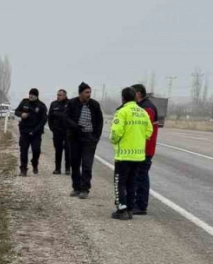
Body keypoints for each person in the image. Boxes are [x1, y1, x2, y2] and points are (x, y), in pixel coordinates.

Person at [110, 87, 154, 220]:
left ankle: (121, 209)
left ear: (123, 98)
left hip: (123, 154)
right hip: (138, 155)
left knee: (120, 182)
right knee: (132, 182)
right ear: (135, 97)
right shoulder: (143, 112)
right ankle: (129, 209)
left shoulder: (122, 112)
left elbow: (116, 132)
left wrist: (114, 141)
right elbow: (149, 131)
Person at [63, 82, 103, 198]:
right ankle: (76, 187)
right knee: (75, 164)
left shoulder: (94, 105)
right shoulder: (72, 103)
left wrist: (96, 137)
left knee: (87, 164)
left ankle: (85, 189)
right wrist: (75, 126)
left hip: (89, 139)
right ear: (80, 93)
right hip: (75, 138)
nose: (89, 95)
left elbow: (99, 122)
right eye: (86, 92)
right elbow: (65, 117)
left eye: (90, 92)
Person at [131, 83, 160, 215]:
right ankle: (138, 203)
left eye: (132, 93)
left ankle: (141, 205)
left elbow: (143, 130)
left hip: (145, 148)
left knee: (141, 176)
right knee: (138, 176)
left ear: (138, 93)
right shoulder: (142, 106)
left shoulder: (147, 108)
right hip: (141, 148)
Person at [14, 88, 47, 176]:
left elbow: (43, 121)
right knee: (23, 150)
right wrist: (21, 114)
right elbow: (16, 111)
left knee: (36, 150)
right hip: (24, 131)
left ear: (36, 96)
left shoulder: (41, 106)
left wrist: (35, 130)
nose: (31, 96)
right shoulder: (24, 102)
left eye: (33, 94)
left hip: (36, 133)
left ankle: (34, 163)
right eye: (30, 94)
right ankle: (23, 169)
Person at [47, 89, 72, 175]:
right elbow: (49, 117)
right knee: (58, 150)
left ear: (65, 95)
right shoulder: (54, 104)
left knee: (68, 150)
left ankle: (68, 168)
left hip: (68, 131)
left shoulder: (70, 103)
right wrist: (52, 128)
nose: (58, 96)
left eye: (60, 95)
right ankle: (57, 168)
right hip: (57, 131)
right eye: (57, 95)